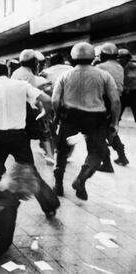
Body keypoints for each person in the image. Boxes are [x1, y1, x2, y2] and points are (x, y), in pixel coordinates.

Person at [0, 63, 59, 217]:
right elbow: (47, 99)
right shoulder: (21, 85)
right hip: (19, 136)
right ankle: (50, 206)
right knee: (30, 172)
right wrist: (44, 113)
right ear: (8, 72)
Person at [52, 42, 120, 200]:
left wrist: (57, 115)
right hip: (95, 118)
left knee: (62, 150)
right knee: (97, 151)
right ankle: (81, 179)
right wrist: (114, 122)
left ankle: (58, 186)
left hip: (70, 117)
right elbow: (115, 101)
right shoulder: (103, 75)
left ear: (73, 57)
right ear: (92, 57)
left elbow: (55, 101)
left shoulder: (65, 75)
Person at [12, 49, 54, 162]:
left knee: (23, 133)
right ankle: (50, 155)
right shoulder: (28, 74)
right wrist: (40, 108)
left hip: (17, 107)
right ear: (33, 62)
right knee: (44, 129)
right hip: (27, 106)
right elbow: (32, 93)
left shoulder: (16, 72)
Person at [96, 43, 129, 169]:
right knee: (111, 128)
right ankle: (122, 156)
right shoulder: (119, 66)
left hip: (104, 100)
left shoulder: (100, 66)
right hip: (117, 101)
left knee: (99, 131)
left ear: (103, 54)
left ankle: (107, 163)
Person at [118, 48, 136, 122]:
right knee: (116, 115)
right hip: (122, 92)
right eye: (119, 57)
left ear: (127, 58)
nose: (120, 59)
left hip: (133, 92)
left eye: (122, 57)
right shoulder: (117, 67)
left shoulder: (133, 66)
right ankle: (113, 132)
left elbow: (131, 79)